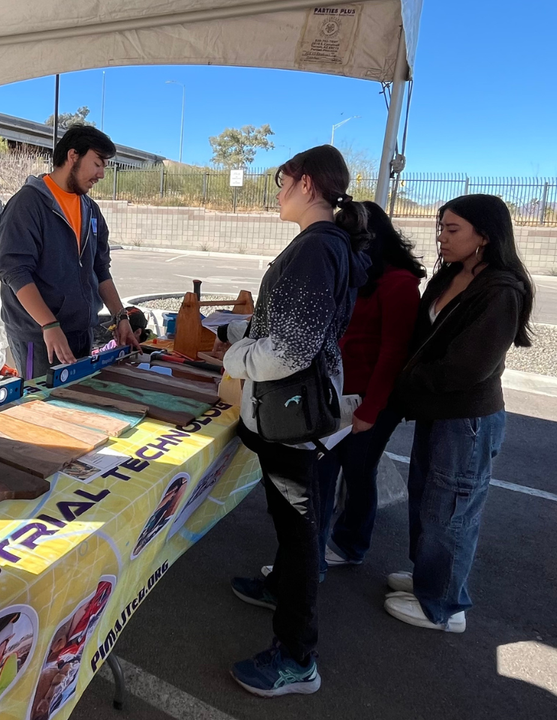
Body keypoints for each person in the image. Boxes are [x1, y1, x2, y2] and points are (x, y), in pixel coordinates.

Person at [219, 145, 370, 697]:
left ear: (307, 184)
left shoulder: (315, 249)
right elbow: (285, 327)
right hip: (295, 413)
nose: (277, 190)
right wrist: (235, 332)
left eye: (282, 180)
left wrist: (232, 357)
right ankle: (279, 586)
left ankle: (296, 658)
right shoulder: (327, 245)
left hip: (293, 418)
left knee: (301, 533)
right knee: (291, 525)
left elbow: (289, 349)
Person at [383, 193, 534, 632]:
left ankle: (444, 606)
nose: (441, 238)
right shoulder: (450, 274)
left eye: (453, 230)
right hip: (435, 411)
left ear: (484, 236)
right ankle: (430, 580)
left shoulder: (501, 289)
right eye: (441, 228)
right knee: (430, 502)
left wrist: (404, 380)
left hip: (467, 419)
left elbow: (468, 367)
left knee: (452, 511)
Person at [315, 201, 426, 577]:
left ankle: (350, 544)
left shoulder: (399, 283)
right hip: (337, 391)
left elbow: (395, 352)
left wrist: (370, 409)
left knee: (359, 471)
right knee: (324, 469)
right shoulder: (352, 273)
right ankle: (313, 546)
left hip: (370, 399)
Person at [0, 125, 140, 381]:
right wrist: (49, 324)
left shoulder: (91, 210)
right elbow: (14, 271)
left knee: (76, 403)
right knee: (41, 408)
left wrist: (121, 317)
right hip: (37, 335)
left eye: (104, 166)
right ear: (73, 156)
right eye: (97, 163)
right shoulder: (28, 204)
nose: (102, 174)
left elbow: (100, 269)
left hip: (80, 332)